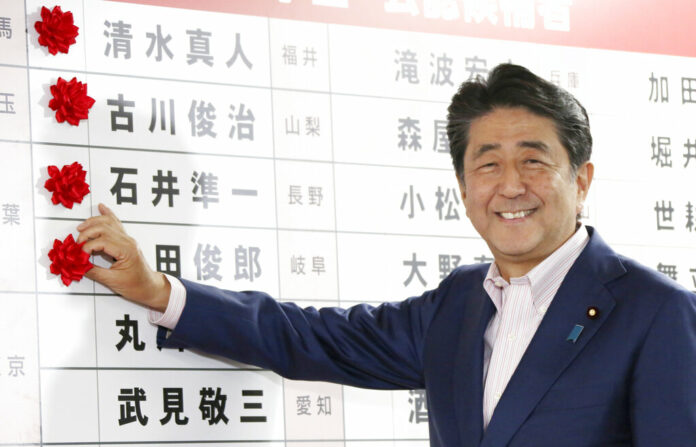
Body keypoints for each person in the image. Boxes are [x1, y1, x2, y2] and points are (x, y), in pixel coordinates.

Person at [77, 64, 696, 446]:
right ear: (462, 187)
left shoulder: (656, 313)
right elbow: (313, 338)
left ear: (581, 179)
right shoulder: (458, 304)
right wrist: (159, 292)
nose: (510, 185)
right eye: (488, 164)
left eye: (534, 161)